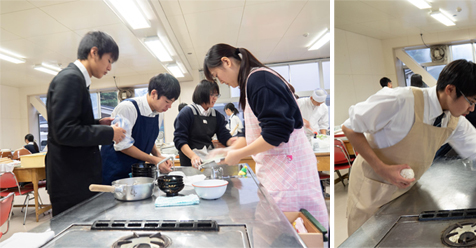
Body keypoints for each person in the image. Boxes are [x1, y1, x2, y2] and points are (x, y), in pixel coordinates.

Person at [341, 59, 476, 235]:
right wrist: (381, 168)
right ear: (450, 90)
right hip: (373, 187)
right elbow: (350, 127)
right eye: (471, 101)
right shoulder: (399, 100)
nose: (472, 108)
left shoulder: (453, 119)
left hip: (406, 189)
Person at [204, 43, 329, 229]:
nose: (220, 81)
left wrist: (239, 154)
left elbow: (276, 132)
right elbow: (255, 135)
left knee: (286, 234)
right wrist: (228, 150)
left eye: (216, 75)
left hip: (288, 175)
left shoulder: (259, 80)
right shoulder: (251, 83)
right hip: (279, 173)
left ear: (226, 62)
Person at [45, 31, 126, 216]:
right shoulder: (70, 78)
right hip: (70, 180)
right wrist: (108, 133)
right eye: (109, 61)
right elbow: (64, 132)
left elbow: (72, 123)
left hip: (75, 177)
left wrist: (99, 123)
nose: (109, 68)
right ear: (94, 52)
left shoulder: (78, 79)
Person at [100, 73, 179, 184]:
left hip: (136, 172)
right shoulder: (128, 108)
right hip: (115, 170)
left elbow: (148, 139)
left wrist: (159, 156)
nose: (169, 107)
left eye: (172, 103)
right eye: (167, 102)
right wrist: (154, 160)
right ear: (154, 93)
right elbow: (122, 146)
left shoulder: (158, 113)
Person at [174, 80, 238, 168]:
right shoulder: (187, 113)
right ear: (202, 94)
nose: (215, 98)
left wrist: (233, 142)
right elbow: (179, 140)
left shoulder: (216, 115)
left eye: (216, 95)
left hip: (208, 159)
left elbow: (224, 135)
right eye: (212, 94)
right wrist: (193, 156)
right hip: (190, 161)